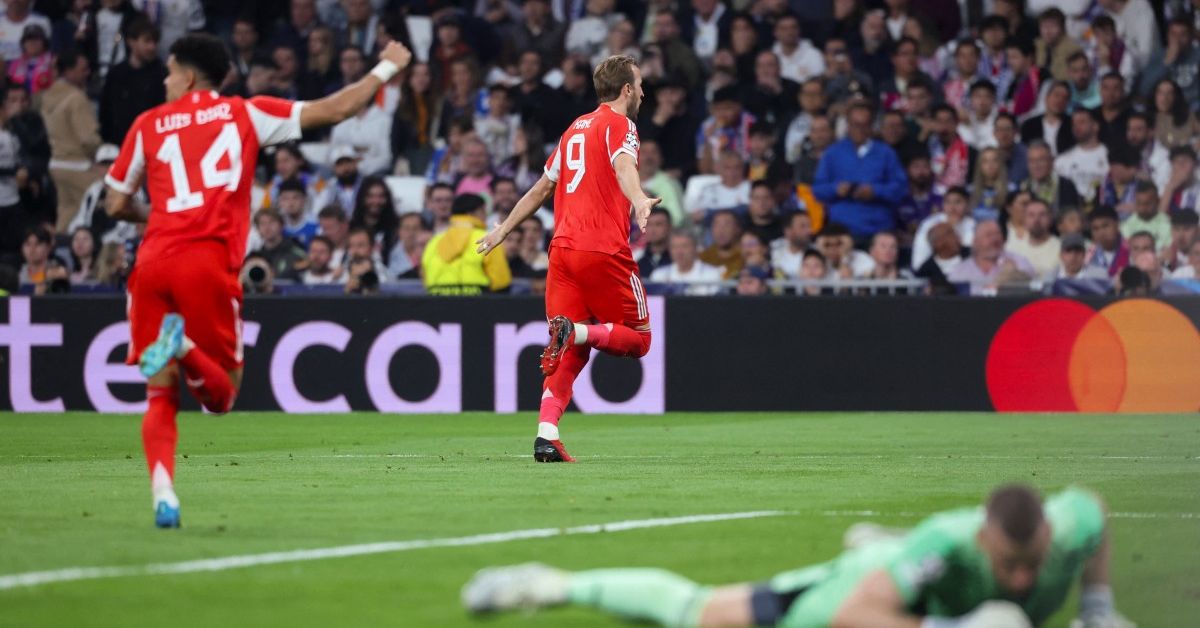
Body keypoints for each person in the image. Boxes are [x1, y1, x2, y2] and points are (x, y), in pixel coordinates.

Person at [103, 33, 413, 527]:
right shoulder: (245, 113)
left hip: (153, 261)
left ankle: (164, 492)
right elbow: (334, 110)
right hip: (205, 262)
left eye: (168, 73)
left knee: (159, 394)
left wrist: (159, 213)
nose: (164, 82)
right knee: (223, 395)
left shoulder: (147, 125)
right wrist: (386, 70)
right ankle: (181, 347)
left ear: (185, 76)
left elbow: (115, 203)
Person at [464, 485, 1132, 628]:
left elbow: (1096, 514)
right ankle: (550, 584)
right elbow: (853, 615)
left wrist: (1097, 608)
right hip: (852, 601)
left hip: (913, 579)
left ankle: (884, 544)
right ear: (986, 541)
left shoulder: (1070, 525)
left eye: (1031, 563)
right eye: (1010, 565)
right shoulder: (952, 541)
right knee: (701, 614)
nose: (1022, 577)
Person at [476, 55, 659, 463]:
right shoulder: (620, 125)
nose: (644, 93)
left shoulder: (574, 128)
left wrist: (503, 229)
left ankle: (546, 434)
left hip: (561, 252)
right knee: (639, 340)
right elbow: (625, 164)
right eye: (640, 85)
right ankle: (575, 332)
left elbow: (542, 189)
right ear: (626, 89)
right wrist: (639, 199)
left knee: (566, 350)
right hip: (602, 250)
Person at [813, 102, 908, 243]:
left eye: (864, 125)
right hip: (842, 232)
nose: (860, 130)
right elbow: (818, 189)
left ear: (871, 126)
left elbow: (901, 189)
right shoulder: (832, 153)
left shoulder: (886, 153)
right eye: (855, 125)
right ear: (848, 125)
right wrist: (836, 189)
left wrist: (874, 191)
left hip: (879, 230)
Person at [42, 49, 102, 233]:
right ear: (68, 71)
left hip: (57, 164)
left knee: (68, 211)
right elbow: (88, 139)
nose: (87, 72)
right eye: (83, 69)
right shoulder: (77, 98)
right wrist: (101, 159)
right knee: (101, 203)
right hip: (79, 165)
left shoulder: (47, 96)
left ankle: (60, 249)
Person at [423, 193, 510, 295]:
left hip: (436, 303)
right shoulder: (487, 239)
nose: (486, 216)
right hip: (478, 304)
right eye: (483, 211)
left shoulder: (434, 242)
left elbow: (425, 277)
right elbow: (501, 283)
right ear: (472, 213)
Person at [947, 220, 1035, 295]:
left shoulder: (1018, 261)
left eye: (998, 234)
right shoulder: (960, 270)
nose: (995, 238)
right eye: (989, 235)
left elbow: (1029, 280)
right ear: (975, 241)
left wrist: (1011, 273)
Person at [1055, 109, 1110, 210]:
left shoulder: (1109, 157)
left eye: (1082, 122)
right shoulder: (1061, 160)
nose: (1077, 127)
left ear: (1095, 126)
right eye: (1074, 123)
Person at [648, 230, 723, 296]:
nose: (679, 252)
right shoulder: (658, 275)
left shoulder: (712, 274)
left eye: (685, 246)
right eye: (675, 247)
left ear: (695, 248)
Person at [1005, 198, 1062, 277]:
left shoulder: (1061, 248)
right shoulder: (1012, 248)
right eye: (1031, 215)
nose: (1036, 220)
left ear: (1050, 219)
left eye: (1042, 215)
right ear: (1024, 220)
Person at [914, 222, 967, 294]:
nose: (957, 236)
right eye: (950, 233)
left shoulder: (971, 257)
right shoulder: (925, 271)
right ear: (937, 243)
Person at [1121, 181, 1172, 249]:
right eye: (1139, 203)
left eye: (1147, 204)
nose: (1142, 208)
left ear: (1157, 201)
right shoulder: (1129, 223)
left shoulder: (1168, 225)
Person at [1083, 205, 1130, 277]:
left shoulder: (1132, 249)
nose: (1101, 233)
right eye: (1095, 229)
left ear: (1117, 225)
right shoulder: (1087, 255)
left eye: (1105, 226)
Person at [634, 206, 672, 277]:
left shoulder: (679, 256)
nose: (652, 230)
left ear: (669, 227)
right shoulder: (636, 257)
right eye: (648, 224)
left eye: (658, 224)